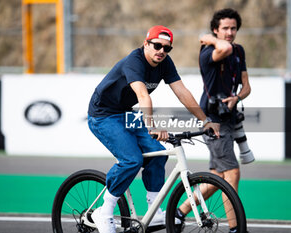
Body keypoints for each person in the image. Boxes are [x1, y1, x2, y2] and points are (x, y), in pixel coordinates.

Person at [87, 25, 219, 233]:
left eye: (167, 48)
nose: (161, 51)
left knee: (158, 154)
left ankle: (155, 210)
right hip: (103, 114)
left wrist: (205, 120)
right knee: (132, 160)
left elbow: (182, 92)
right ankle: (104, 212)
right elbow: (142, 96)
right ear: (146, 43)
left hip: (125, 112)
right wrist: (151, 126)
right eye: (157, 46)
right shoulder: (134, 62)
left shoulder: (164, 62)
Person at [176, 9, 251, 233]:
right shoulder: (208, 51)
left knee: (219, 176)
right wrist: (209, 38)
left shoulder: (239, 50)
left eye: (233, 28)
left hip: (229, 117)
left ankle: (179, 213)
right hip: (212, 120)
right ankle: (236, 228)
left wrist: (236, 97)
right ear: (216, 30)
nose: (230, 32)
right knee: (232, 173)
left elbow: (247, 87)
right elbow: (224, 48)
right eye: (225, 28)